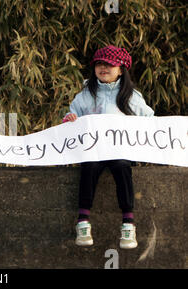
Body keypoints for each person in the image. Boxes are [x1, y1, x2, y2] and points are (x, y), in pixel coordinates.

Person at [63, 45, 154, 249]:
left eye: (109, 65)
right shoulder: (86, 94)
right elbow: (72, 115)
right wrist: (70, 119)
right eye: (99, 64)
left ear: (121, 69)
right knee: (89, 167)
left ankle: (128, 223)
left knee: (123, 168)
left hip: (120, 152)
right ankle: (83, 220)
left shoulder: (131, 96)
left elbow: (150, 120)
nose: (103, 68)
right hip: (94, 151)